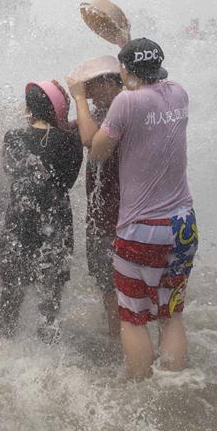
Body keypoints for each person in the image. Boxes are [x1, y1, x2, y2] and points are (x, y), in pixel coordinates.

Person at [69, 38, 197, 379]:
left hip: (142, 227)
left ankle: (140, 393)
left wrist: (78, 97)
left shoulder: (126, 102)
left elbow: (96, 151)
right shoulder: (179, 93)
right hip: (183, 222)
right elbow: (148, 81)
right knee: (172, 314)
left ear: (122, 74)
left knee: (134, 318)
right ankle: (175, 386)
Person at [0, 81, 83, 342]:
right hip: (55, 224)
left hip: (19, 222)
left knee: (11, 290)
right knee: (50, 293)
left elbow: (11, 172)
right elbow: (67, 181)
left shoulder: (13, 137)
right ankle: (48, 350)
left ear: (30, 108)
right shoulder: (70, 140)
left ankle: (3, 345)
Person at [70, 55, 124, 337]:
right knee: (110, 290)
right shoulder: (101, 114)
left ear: (113, 83)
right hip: (104, 219)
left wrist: (78, 98)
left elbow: (89, 140)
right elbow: (72, 128)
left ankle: (123, 349)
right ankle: (125, 347)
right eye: (86, 87)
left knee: (115, 292)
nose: (89, 93)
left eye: (93, 85)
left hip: (118, 221)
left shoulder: (123, 111)